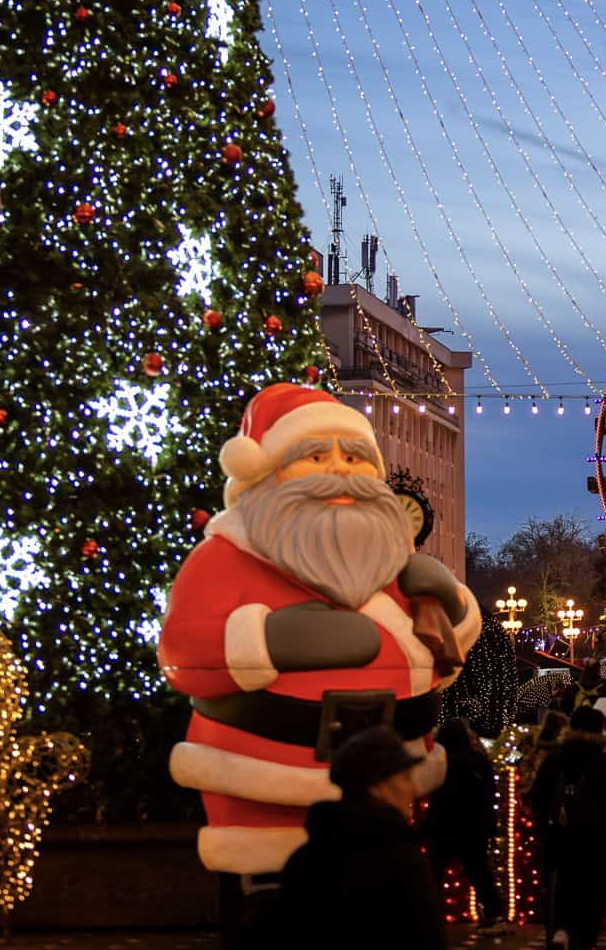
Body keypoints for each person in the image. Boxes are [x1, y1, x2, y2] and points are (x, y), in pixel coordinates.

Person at [157, 383, 483, 875]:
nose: (339, 471)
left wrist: (453, 613)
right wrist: (269, 642)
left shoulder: (392, 563)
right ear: (263, 473)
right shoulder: (227, 556)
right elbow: (184, 652)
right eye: (314, 456)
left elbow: (445, 659)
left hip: (391, 784)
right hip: (264, 778)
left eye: (354, 458)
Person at [253, 725, 446, 948]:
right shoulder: (401, 860)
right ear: (377, 787)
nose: (412, 788)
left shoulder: (306, 858)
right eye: (404, 778)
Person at [530, 706, 606, 950]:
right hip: (597, 845)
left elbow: (537, 798)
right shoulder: (605, 762)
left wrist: (545, 829)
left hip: (558, 842)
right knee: (592, 897)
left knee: (560, 888)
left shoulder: (554, 760)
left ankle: (561, 929)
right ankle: (583, 939)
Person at [427, 720, 506, 935]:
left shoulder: (440, 762)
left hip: (444, 825)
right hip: (473, 826)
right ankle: (494, 914)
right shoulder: (478, 761)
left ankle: (427, 916)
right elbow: (489, 795)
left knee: (433, 873)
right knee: (479, 872)